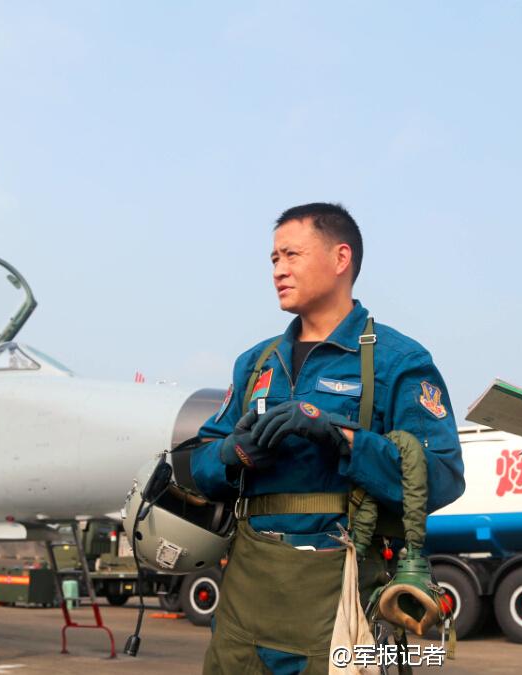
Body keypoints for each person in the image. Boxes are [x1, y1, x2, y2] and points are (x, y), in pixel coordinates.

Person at [189, 202, 465, 674]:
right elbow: (198, 467)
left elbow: (441, 475)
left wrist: (340, 437)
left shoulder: (397, 360)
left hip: (344, 592)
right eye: (274, 259)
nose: (279, 269)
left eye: (292, 254)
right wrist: (234, 453)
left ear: (341, 259)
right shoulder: (256, 363)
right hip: (247, 591)